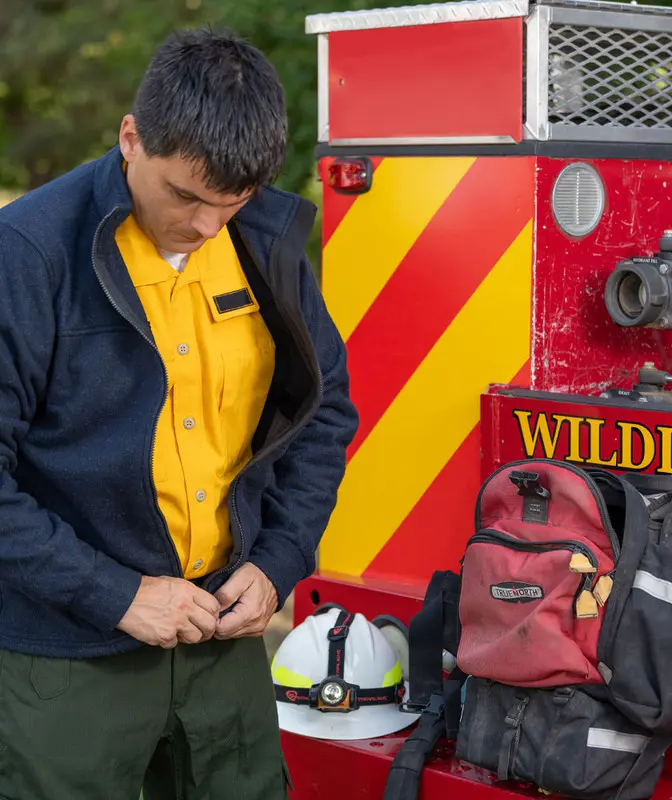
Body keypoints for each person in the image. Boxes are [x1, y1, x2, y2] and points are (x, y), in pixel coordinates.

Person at [0, 27, 358, 800]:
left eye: (229, 203)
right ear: (131, 138)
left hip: (223, 648)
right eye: (185, 197)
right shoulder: (28, 255)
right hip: (64, 659)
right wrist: (118, 595)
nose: (204, 227)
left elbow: (322, 414)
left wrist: (279, 563)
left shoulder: (266, 247)